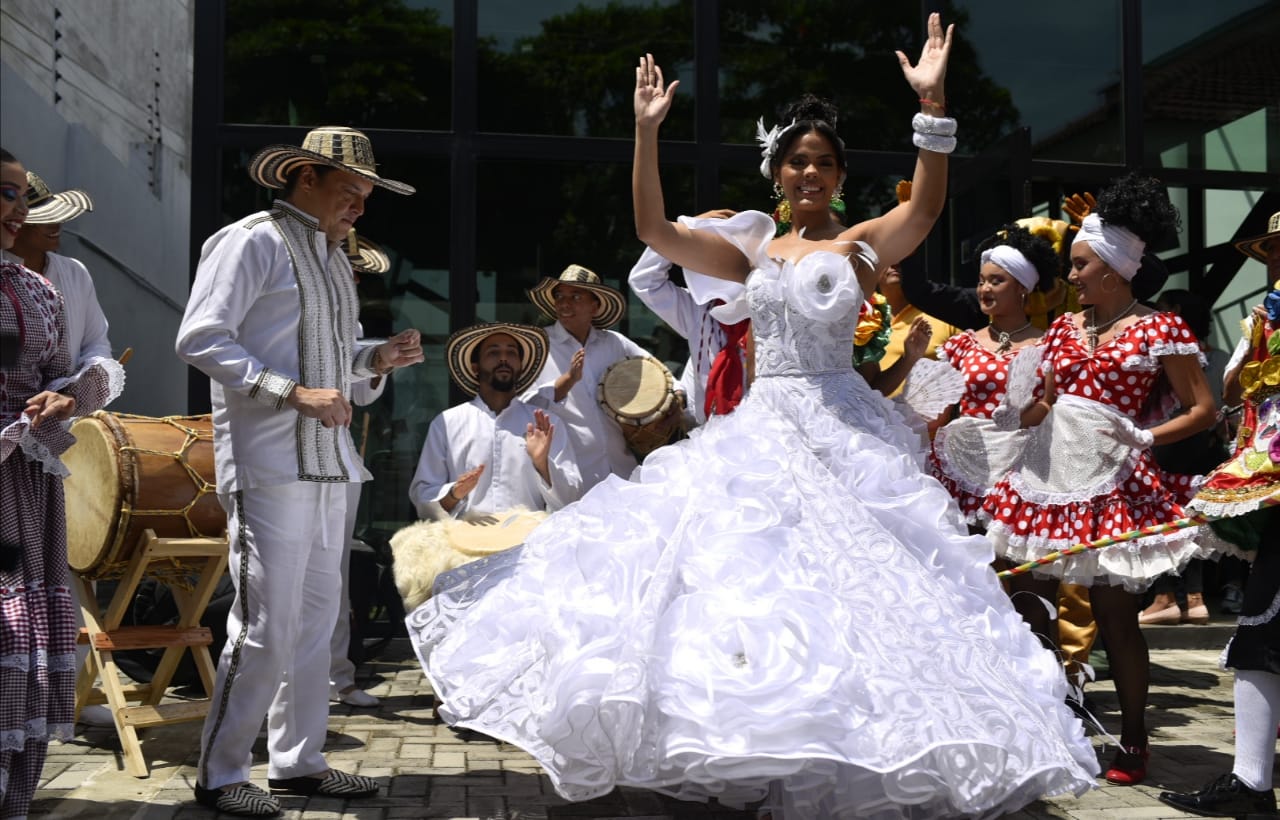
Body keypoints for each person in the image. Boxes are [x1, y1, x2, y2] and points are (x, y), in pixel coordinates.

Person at [408, 17, 1099, 819]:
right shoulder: (751, 254)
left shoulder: (861, 250)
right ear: (780, 171)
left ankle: (864, 741)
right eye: (798, 161)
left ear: (839, 177)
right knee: (748, 580)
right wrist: (644, 135)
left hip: (843, 428)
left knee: (862, 589)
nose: (811, 172)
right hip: (764, 425)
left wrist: (933, 108)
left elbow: (926, 209)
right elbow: (653, 232)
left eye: (825, 162)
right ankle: (750, 739)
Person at [175, 126, 422, 817]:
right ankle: (221, 775)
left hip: (330, 464)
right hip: (270, 460)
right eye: (350, 192)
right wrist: (292, 393)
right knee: (264, 624)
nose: (360, 209)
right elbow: (199, 338)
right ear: (303, 178)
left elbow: (330, 365)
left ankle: (298, 762)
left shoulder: (335, 257)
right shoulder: (249, 239)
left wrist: (376, 361)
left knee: (318, 621)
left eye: (367, 197)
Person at [981, 172, 1217, 786]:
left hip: (1115, 482)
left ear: (1113, 269)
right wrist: (1009, 421)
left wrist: (1146, 436)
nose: (1074, 275)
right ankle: (1048, 721)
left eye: (1081, 264)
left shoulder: (1158, 328)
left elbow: (1203, 409)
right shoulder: (1061, 328)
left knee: (1114, 616)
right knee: (1030, 602)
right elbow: (1043, 404)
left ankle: (1133, 741)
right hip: (1047, 479)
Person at [0, 148, 123, 819]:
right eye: (9, 195)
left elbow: (77, 361)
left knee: (20, 631)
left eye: (26, 198)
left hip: (24, 477)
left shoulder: (47, 287)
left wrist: (65, 397)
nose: (23, 212)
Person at [1159, 276, 1280, 817]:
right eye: (1273, 254)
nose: (1277, 263)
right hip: (1272, 482)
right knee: (1259, 629)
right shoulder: (1262, 319)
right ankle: (1251, 781)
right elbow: (1234, 392)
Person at [928, 224, 1060, 525]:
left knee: (1015, 562)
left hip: (1024, 469)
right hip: (962, 463)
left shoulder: (1049, 345)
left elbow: (1051, 404)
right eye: (982, 281)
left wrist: (1020, 420)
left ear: (1022, 288)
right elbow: (938, 413)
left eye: (996, 281)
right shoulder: (962, 344)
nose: (985, 289)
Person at [408, 322, 582, 521]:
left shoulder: (546, 424)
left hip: (528, 544)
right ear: (475, 367)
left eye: (512, 353)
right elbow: (423, 500)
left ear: (521, 366)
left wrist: (543, 465)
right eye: (493, 353)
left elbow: (572, 499)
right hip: (465, 545)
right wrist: (454, 493)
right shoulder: (447, 423)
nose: (503, 359)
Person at [329, 230, 392, 709]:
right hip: (288, 454)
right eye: (347, 267)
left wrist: (380, 360)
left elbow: (366, 394)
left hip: (339, 458)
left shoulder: (351, 322)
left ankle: (338, 676)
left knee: (335, 576)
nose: (352, 276)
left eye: (356, 271)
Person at [523, 265, 649, 489]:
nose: (564, 303)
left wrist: (674, 398)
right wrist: (567, 381)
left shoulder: (614, 343)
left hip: (622, 471)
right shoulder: (539, 347)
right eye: (559, 296)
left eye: (576, 296)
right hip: (571, 478)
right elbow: (525, 407)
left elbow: (655, 371)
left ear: (595, 306)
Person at [627, 208, 750, 425]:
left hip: (762, 437)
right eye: (711, 253)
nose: (719, 261)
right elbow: (644, 280)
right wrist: (684, 229)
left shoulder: (769, 309)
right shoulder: (697, 309)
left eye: (729, 251)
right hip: (707, 435)